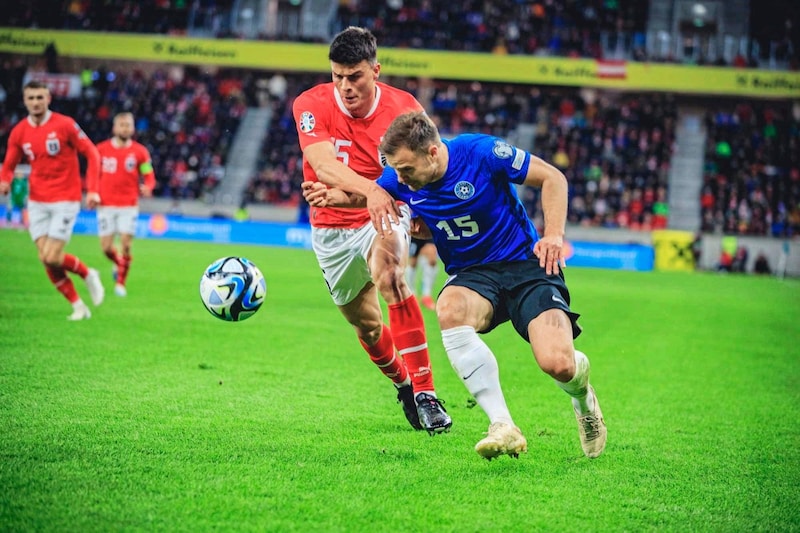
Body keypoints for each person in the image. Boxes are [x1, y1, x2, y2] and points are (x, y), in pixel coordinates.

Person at [303, 111, 607, 460]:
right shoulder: (401, 177)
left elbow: (553, 177)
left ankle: (583, 400)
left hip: (526, 265)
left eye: (406, 170)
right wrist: (331, 197)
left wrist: (553, 235)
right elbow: (373, 196)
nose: (400, 179)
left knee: (559, 364)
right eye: (396, 171)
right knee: (449, 308)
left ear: (433, 152)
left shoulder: (482, 153)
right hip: (473, 274)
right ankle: (502, 425)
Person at [292, 26, 451, 434]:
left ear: (375, 70)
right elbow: (324, 165)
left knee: (391, 276)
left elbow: (427, 170)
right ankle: (403, 383)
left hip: (383, 214)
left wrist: (412, 206)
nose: (345, 87)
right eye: (337, 76)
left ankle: (427, 393)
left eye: (355, 76)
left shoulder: (406, 108)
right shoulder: (309, 104)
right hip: (330, 229)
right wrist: (368, 191)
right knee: (366, 325)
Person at [0, 80, 105, 320]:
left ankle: (89, 273)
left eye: (40, 97)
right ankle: (78, 306)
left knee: (52, 256)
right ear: (24, 101)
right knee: (45, 258)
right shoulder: (19, 132)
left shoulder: (65, 125)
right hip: (37, 200)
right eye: (31, 98)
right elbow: (9, 164)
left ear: (48, 98)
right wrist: (4, 181)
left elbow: (92, 153)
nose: (36, 102)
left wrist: (93, 190)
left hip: (65, 198)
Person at [95, 112, 156, 297]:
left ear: (133, 128)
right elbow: (92, 174)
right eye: (122, 125)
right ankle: (119, 262)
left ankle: (121, 282)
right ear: (114, 128)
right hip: (105, 204)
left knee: (126, 244)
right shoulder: (100, 150)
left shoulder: (140, 152)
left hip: (128, 205)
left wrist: (149, 187)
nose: (125, 128)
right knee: (106, 248)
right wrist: (91, 192)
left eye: (128, 125)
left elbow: (149, 175)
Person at [406, 237, 439, 311]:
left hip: (428, 230)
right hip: (414, 232)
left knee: (432, 258)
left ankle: (426, 296)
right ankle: (412, 294)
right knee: (413, 262)